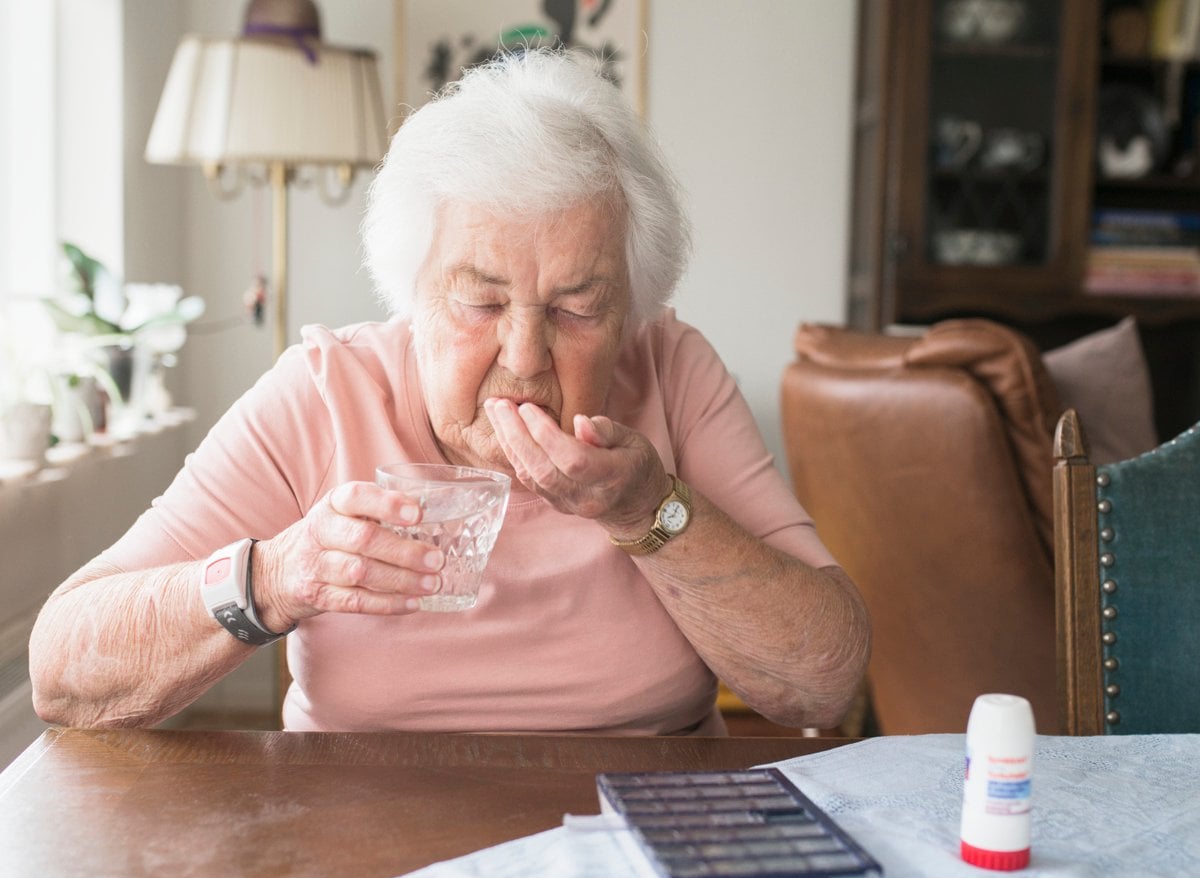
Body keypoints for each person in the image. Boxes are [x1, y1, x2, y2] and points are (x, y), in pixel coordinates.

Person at [30, 49, 870, 735]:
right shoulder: (327, 394)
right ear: (412, 294)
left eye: (578, 308)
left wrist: (650, 511)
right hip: (372, 834)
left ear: (631, 310)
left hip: (638, 830)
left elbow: (825, 682)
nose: (526, 357)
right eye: (481, 303)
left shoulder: (673, 371)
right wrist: (279, 576)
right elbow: (63, 669)